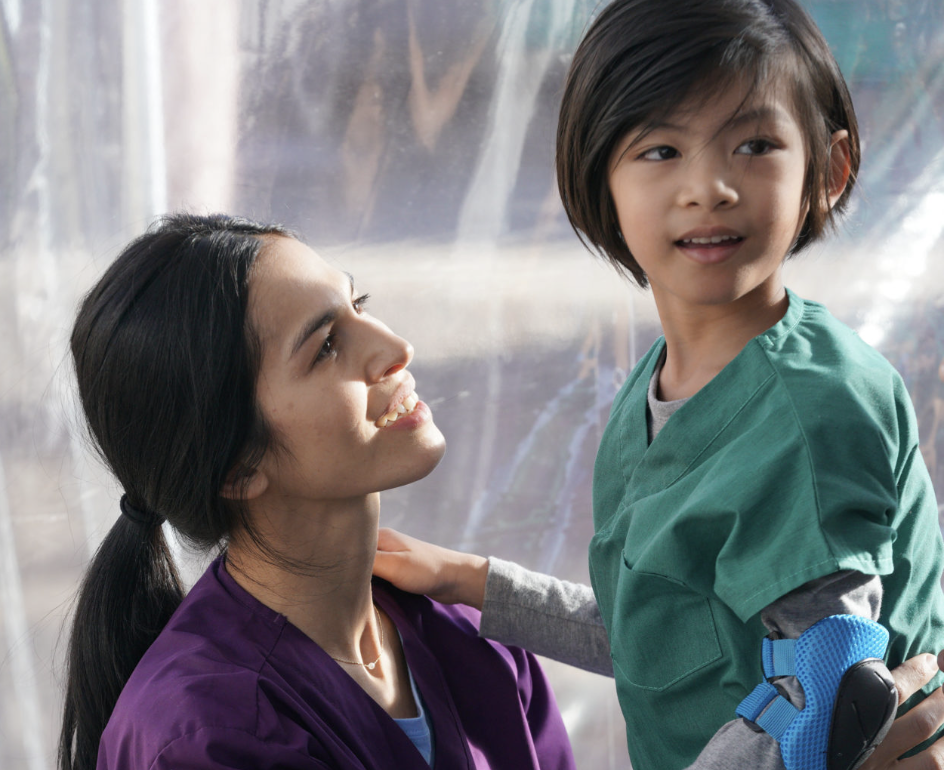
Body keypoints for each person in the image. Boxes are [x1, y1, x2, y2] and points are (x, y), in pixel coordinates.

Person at [373, 1, 944, 769]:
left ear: (830, 170)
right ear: (597, 177)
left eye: (754, 143)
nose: (708, 187)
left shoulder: (818, 408)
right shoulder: (659, 389)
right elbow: (660, 641)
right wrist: (466, 580)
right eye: (660, 150)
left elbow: (830, 706)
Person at [57, 213, 575, 770]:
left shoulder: (472, 639)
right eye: (327, 346)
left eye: (362, 304)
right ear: (237, 468)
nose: (397, 347)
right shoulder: (208, 734)